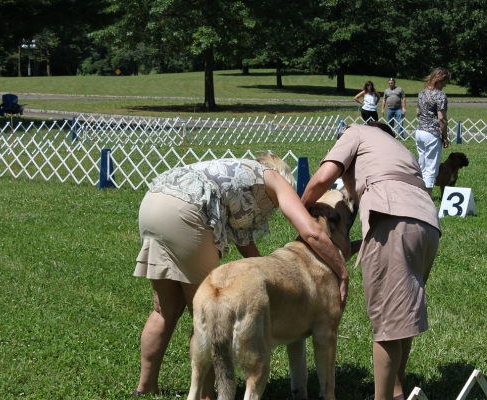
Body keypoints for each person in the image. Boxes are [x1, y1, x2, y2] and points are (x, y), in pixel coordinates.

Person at [132, 153, 348, 398]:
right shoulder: (276, 181)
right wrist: (341, 272)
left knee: (164, 309)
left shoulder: (238, 177)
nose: (272, 210)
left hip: (153, 201)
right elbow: (313, 233)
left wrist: (269, 272)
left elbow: (247, 247)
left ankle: (145, 387)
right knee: (213, 313)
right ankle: (206, 395)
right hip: (189, 210)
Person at [301, 123, 441, 400]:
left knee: (388, 325)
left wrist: (303, 209)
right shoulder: (397, 148)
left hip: (392, 216)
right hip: (428, 222)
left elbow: (322, 179)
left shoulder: (355, 132)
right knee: (402, 317)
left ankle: (384, 398)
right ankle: (396, 390)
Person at [415, 67, 451, 196]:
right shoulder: (440, 95)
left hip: (419, 132)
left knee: (422, 165)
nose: (446, 85)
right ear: (441, 80)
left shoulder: (422, 93)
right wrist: (445, 136)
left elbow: (418, 113)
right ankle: (427, 198)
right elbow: (441, 118)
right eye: (445, 82)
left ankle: (418, 193)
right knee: (431, 168)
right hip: (432, 133)